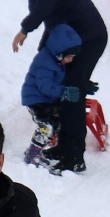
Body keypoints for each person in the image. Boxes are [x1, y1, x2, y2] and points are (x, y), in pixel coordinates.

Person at [0, 0, 108, 175]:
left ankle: (74, 158)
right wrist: (44, 55)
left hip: (89, 38)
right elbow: (53, 20)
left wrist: (26, 28)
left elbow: (46, 3)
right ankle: (63, 147)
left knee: (72, 94)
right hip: (71, 42)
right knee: (67, 91)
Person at [19, 23, 80, 166]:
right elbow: (44, 86)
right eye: (69, 56)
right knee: (47, 126)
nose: (70, 60)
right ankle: (31, 156)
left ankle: (35, 151)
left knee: (55, 124)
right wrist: (63, 92)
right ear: (60, 53)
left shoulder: (56, 61)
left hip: (45, 99)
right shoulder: (45, 62)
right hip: (35, 99)